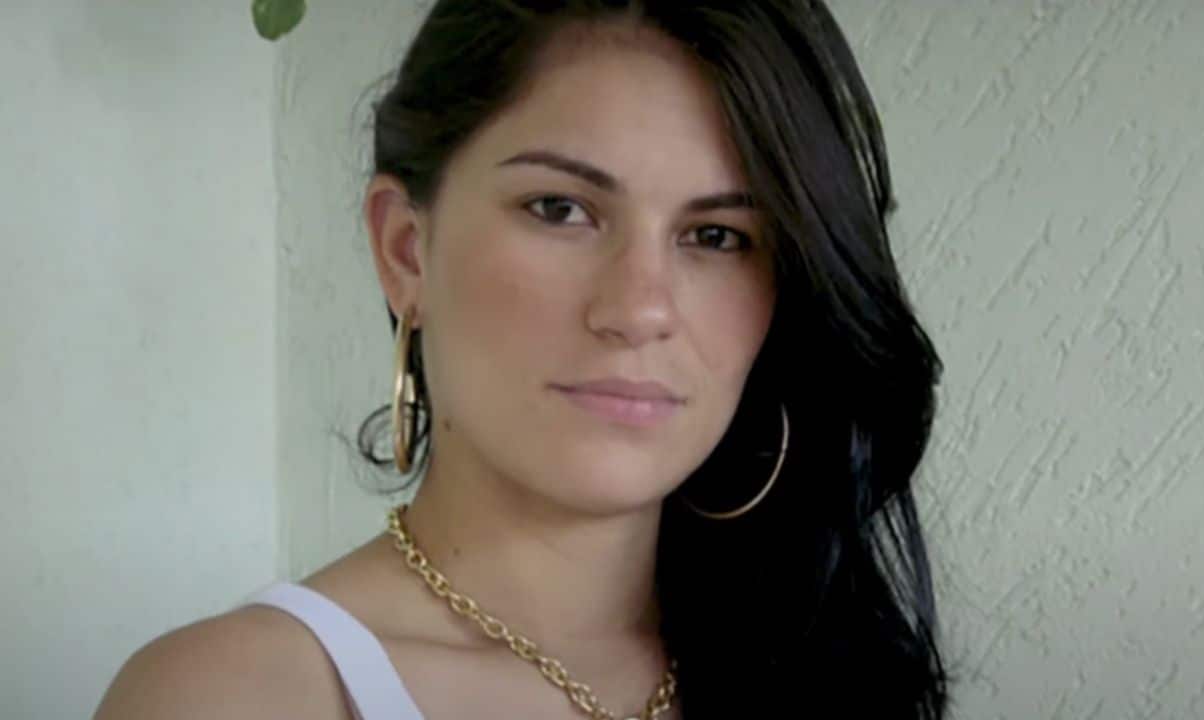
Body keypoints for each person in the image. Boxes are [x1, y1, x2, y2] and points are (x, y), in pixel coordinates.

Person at [96, 1, 948, 717]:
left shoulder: (832, 668)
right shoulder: (236, 696)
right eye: (559, 209)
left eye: (717, 236)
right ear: (406, 251)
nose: (640, 309)